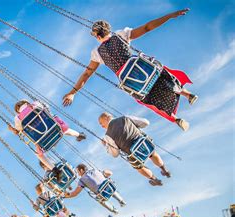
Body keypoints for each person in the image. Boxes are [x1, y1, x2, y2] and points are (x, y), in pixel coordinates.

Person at [63, 9, 198, 131]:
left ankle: (175, 118)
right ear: (109, 30)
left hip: (132, 83)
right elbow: (146, 28)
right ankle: (187, 94)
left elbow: (87, 74)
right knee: (164, 75)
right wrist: (169, 16)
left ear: (97, 36)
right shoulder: (121, 34)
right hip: (145, 69)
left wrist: (72, 93)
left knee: (150, 100)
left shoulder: (96, 53)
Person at [8, 100, 86, 169]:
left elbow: (18, 131)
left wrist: (12, 129)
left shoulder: (18, 118)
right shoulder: (35, 104)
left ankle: (54, 170)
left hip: (41, 140)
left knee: (39, 155)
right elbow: (47, 108)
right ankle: (79, 135)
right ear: (26, 103)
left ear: (18, 111)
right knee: (63, 130)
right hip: (53, 129)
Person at [98, 112, 169, 186]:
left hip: (134, 154)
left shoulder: (107, 136)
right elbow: (146, 123)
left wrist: (106, 145)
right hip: (144, 144)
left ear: (106, 118)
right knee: (153, 154)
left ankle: (155, 179)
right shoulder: (124, 118)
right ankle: (164, 169)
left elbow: (115, 154)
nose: (101, 126)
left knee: (140, 168)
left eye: (101, 123)